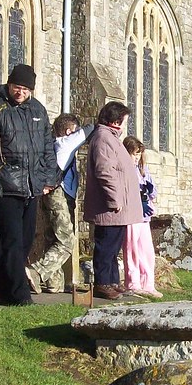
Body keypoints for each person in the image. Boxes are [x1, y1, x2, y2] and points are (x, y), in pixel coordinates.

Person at [0, 64, 60, 305]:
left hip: (31, 187)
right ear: (9, 85)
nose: (20, 92)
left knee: (26, 240)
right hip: (5, 184)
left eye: (25, 89)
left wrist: (48, 179)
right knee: (12, 240)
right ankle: (20, 296)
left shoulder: (38, 110)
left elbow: (47, 148)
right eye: (16, 87)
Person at [82, 101, 142, 300]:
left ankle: (113, 281)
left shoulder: (111, 138)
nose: (125, 125)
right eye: (124, 121)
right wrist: (114, 199)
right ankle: (102, 283)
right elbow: (105, 171)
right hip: (110, 207)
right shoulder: (103, 138)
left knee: (113, 246)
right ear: (116, 121)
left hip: (119, 208)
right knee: (106, 246)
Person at [29, 113, 93, 293]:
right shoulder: (64, 143)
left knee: (53, 238)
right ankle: (37, 272)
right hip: (59, 194)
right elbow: (89, 130)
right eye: (74, 130)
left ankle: (53, 283)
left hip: (53, 194)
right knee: (66, 240)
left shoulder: (50, 146)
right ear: (68, 131)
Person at [122, 136, 163, 298]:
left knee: (147, 251)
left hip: (144, 215)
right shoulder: (125, 169)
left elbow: (153, 193)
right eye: (134, 154)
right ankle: (133, 283)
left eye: (139, 154)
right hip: (131, 214)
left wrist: (149, 188)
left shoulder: (142, 170)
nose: (137, 157)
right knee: (132, 250)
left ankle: (148, 284)